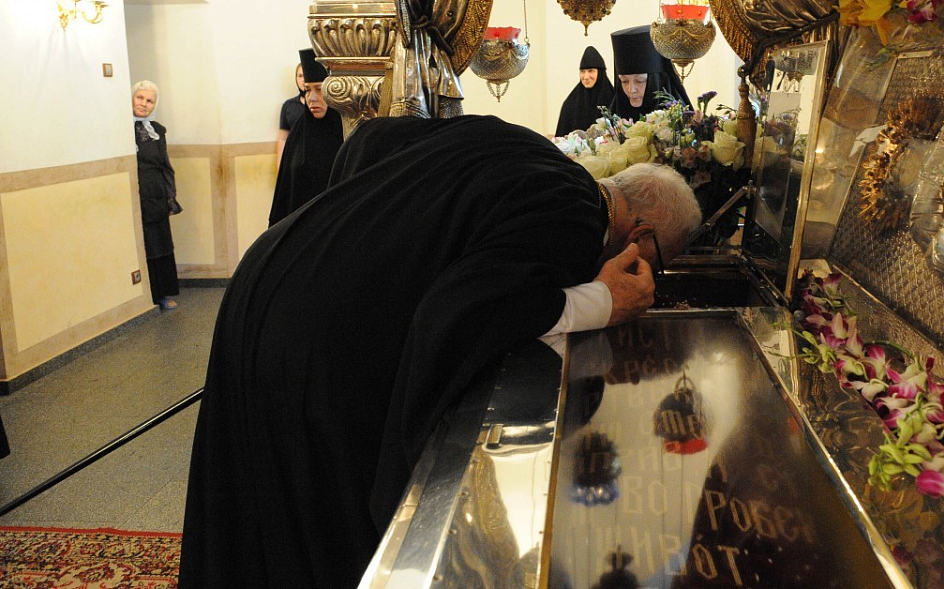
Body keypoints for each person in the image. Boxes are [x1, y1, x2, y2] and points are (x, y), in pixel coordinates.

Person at [180, 114, 701, 588]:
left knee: (250, 501)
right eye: (660, 258)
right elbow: (465, 309)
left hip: (269, 272)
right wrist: (605, 301)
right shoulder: (576, 217)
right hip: (315, 333)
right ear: (640, 233)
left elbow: (371, 138)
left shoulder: (537, 154)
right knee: (313, 523)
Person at [267, 48, 344, 226]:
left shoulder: (347, 132)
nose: (312, 98)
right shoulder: (297, 133)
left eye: (319, 89)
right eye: (308, 90)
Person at [132, 80, 182, 311]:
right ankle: (146, 297)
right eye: (139, 98)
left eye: (149, 101)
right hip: (136, 195)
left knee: (160, 244)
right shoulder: (122, 130)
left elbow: (165, 165)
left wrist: (170, 197)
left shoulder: (158, 130)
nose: (144, 104)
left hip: (157, 194)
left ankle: (161, 295)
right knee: (144, 245)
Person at [608, 24, 692, 120]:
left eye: (640, 81)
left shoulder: (680, 123)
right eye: (624, 81)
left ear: (658, 81)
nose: (631, 90)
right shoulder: (611, 123)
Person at [555, 45, 615, 136]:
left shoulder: (613, 101)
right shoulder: (570, 104)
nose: (586, 77)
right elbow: (561, 138)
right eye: (582, 71)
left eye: (591, 71)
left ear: (600, 73)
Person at [276, 62, 306, 168]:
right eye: (300, 76)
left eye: (306, 75)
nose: (303, 79)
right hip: (294, 159)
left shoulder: (323, 105)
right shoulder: (289, 106)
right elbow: (283, 138)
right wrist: (279, 166)